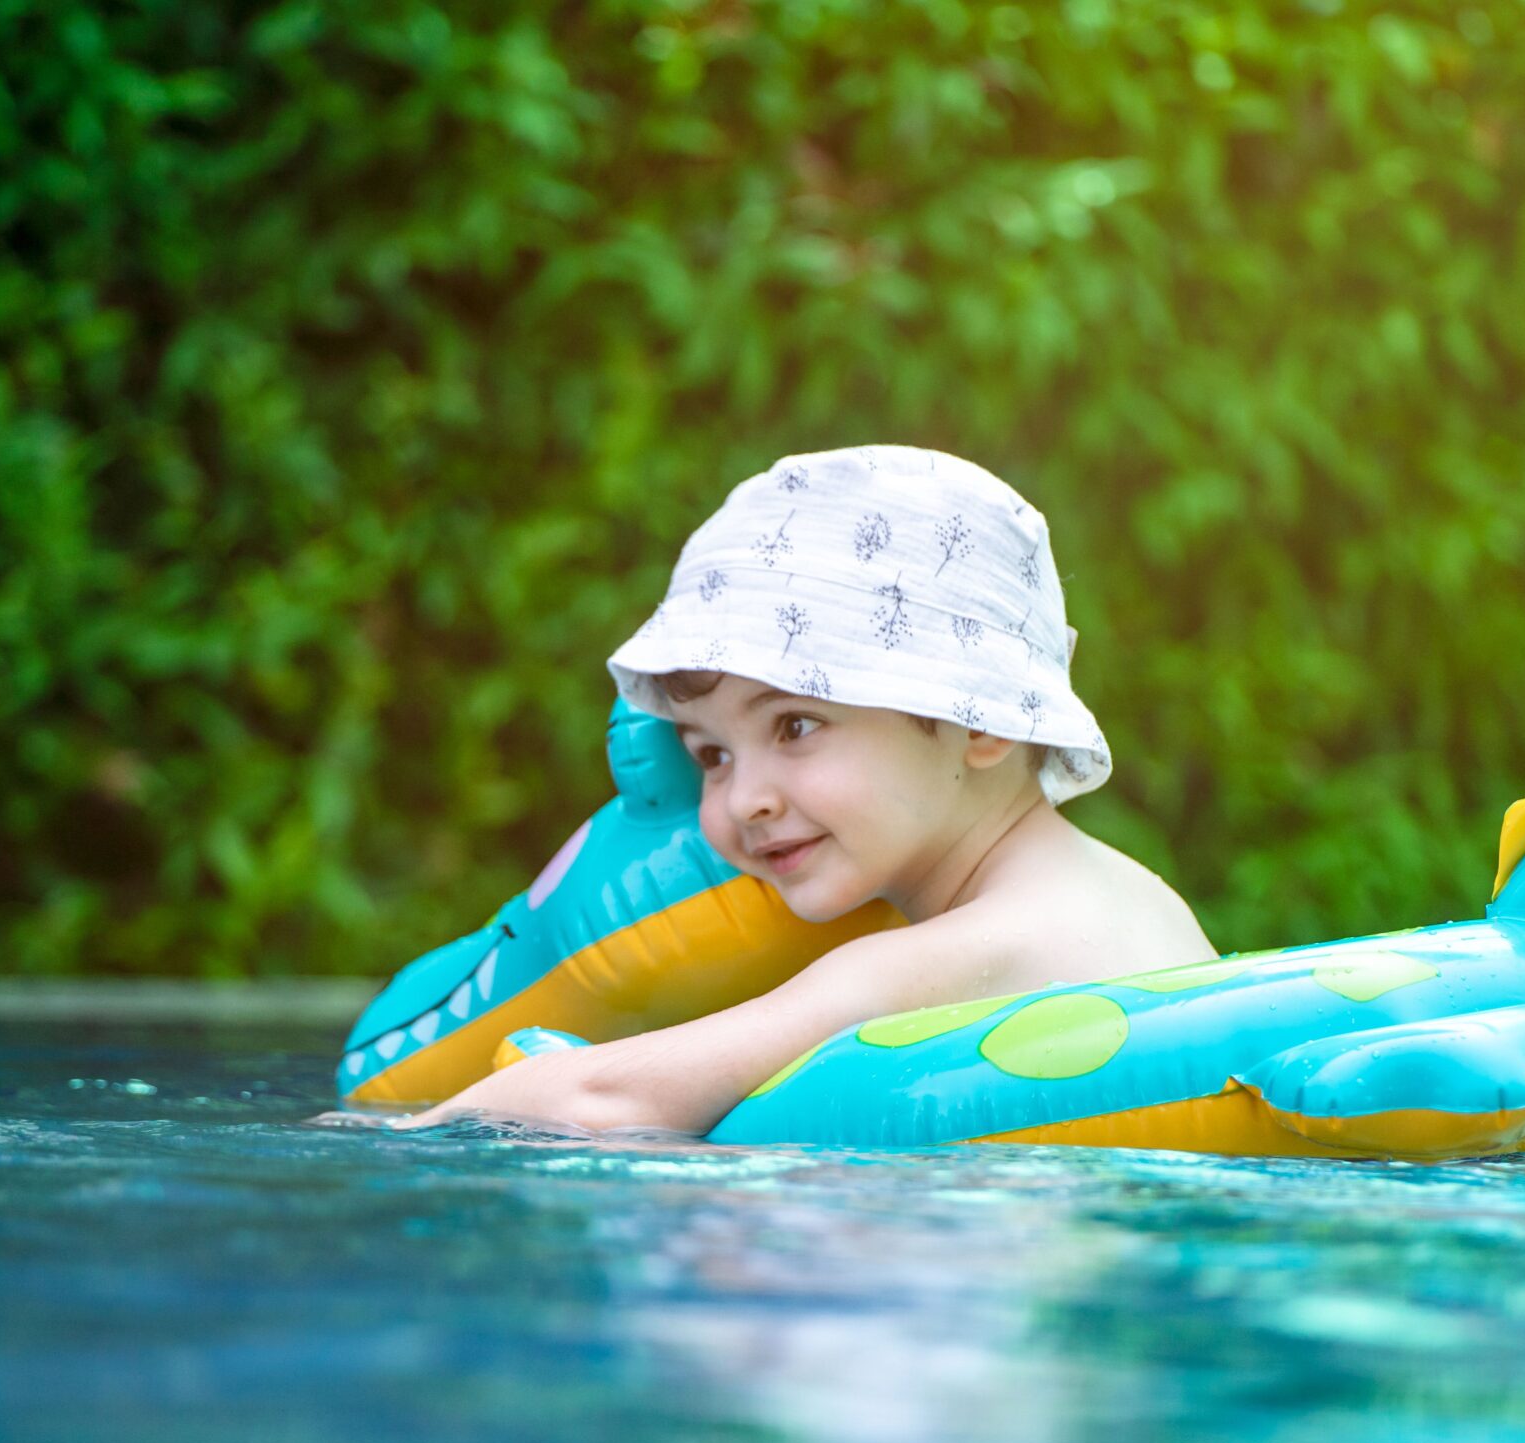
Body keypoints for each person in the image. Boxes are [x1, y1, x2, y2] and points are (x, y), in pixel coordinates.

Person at [405, 445, 1214, 1138]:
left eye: (794, 726)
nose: (740, 799)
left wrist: (409, 1134)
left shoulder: (959, 954)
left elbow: (605, 1098)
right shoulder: (1126, 897)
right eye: (710, 753)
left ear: (981, 720)